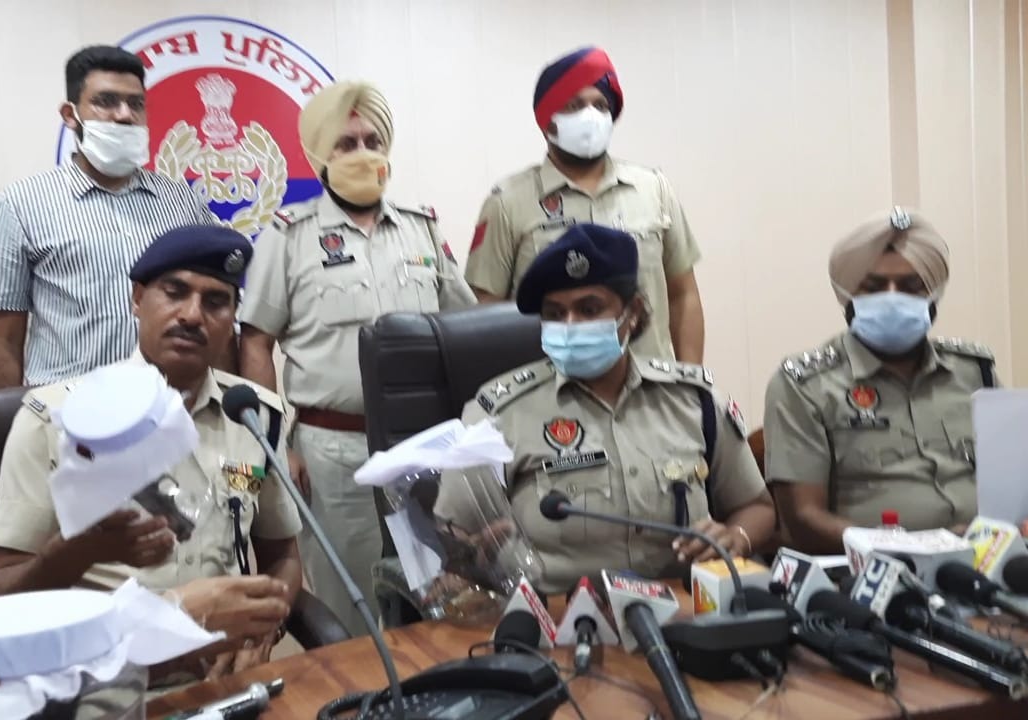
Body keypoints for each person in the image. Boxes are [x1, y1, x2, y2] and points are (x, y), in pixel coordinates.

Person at [0, 224, 303, 681]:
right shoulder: (56, 419)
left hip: (225, 682)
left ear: (233, 315)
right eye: (175, 293)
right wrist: (74, 552)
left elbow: (282, 555)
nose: (192, 315)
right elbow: (0, 597)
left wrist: (264, 628)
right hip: (105, 683)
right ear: (137, 298)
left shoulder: (255, 415)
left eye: (215, 302)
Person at [238, 80, 477, 632]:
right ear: (320, 156)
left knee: (439, 595)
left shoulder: (421, 227)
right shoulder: (289, 235)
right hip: (332, 453)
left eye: (373, 140)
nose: (363, 153)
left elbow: (464, 329)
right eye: (346, 144)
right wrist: (274, 446)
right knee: (356, 603)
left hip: (425, 445)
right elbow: (254, 341)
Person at [459, 223, 773, 593]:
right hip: (560, 614)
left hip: (686, 608)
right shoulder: (499, 413)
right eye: (555, 314)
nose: (571, 325)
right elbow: (453, 539)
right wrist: (478, 553)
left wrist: (735, 537)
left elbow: (757, 508)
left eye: (589, 309)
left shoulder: (694, 402)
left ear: (633, 311)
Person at [0, 45, 218, 392]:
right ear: (70, 114)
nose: (124, 115)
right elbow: (1, 340)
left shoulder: (184, 203)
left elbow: (216, 317)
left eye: (135, 104)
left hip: (169, 407)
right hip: (66, 410)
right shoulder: (20, 204)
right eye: (106, 102)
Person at [764, 207, 997, 554]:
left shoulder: (974, 372)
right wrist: (918, 547)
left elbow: (1012, 479)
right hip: (872, 571)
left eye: (910, 287)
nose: (892, 297)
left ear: (933, 296)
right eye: (873, 288)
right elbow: (803, 519)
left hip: (990, 558)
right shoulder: (804, 385)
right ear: (848, 297)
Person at [464, 46, 705, 363]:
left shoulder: (653, 189)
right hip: (552, 386)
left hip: (650, 384)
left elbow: (683, 295)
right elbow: (487, 313)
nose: (591, 116)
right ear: (548, 120)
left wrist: (689, 379)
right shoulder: (507, 203)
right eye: (575, 105)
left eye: (601, 105)